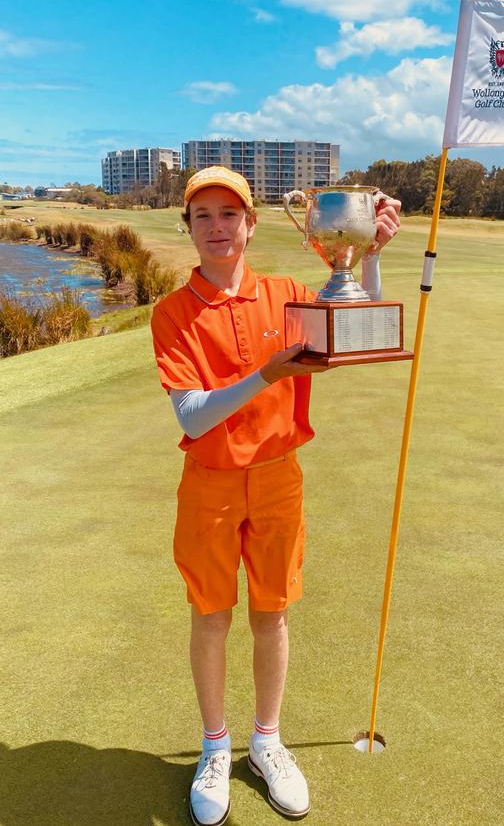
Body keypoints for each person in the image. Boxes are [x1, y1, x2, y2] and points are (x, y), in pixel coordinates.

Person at [150, 166, 401, 825]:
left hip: (278, 475)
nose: (216, 227)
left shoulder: (287, 293)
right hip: (209, 481)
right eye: (201, 215)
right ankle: (214, 746)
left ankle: (266, 740)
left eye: (228, 214)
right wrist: (266, 373)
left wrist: (366, 257)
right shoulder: (173, 313)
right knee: (211, 614)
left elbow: (348, 329)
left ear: (252, 224)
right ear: (189, 228)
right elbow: (194, 415)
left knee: (273, 612)